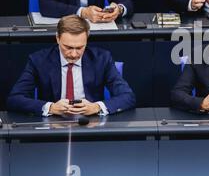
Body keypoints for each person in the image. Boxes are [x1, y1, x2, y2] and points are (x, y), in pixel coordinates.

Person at [7, 15, 136, 116]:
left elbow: (128, 96)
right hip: (52, 125)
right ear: (57, 38)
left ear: (87, 38)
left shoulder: (102, 59)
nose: (74, 54)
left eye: (80, 47)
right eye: (68, 47)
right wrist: (50, 107)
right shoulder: (39, 60)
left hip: (91, 123)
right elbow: (15, 99)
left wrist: (96, 107)